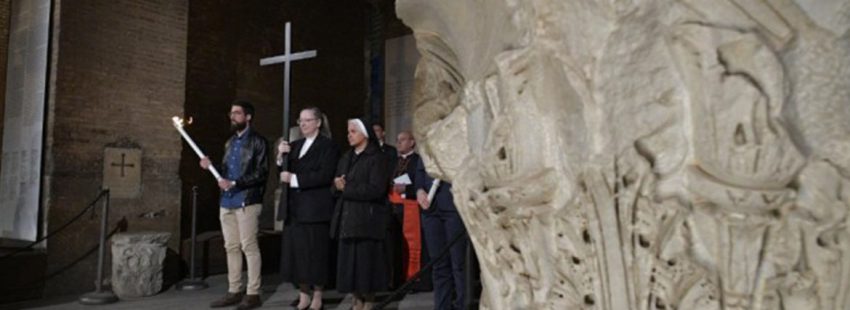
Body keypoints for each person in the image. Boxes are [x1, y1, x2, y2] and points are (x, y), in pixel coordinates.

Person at [201, 100, 269, 310]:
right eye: (231, 113)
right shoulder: (229, 142)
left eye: (237, 113)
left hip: (246, 200)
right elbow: (225, 170)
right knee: (231, 247)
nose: (233, 117)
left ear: (248, 117)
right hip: (227, 200)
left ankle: (253, 293)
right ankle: (234, 290)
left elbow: (261, 173)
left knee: (249, 246)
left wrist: (236, 183)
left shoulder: (259, 142)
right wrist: (212, 167)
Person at [277, 107, 339, 310]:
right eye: (300, 120)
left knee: (315, 254)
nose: (302, 124)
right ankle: (303, 293)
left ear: (318, 122)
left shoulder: (328, 146)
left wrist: (295, 179)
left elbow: (325, 174)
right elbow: (284, 169)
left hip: (315, 208)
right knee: (297, 255)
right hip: (295, 208)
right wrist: (280, 156)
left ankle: (318, 295)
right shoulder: (295, 145)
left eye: (307, 120)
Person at [331, 119, 391, 310]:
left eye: (353, 131)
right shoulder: (346, 157)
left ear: (365, 134)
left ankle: (369, 301)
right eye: (348, 131)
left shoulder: (377, 158)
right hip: (347, 219)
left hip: (367, 220)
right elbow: (335, 187)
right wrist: (337, 186)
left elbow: (376, 189)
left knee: (367, 265)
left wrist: (346, 188)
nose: (349, 134)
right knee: (350, 266)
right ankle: (356, 299)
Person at [416, 159, 467, 310]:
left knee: (458, 263)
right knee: (438, 264)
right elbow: (419, 170)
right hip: (430, 210)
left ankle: (462, 304)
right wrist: (419, 190)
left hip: (453, 207)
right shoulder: (428, 142)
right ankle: (442, 306)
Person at [386, 131, 427, 289]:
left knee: (411, 244)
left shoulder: (417, 161)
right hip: (393, 207)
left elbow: (419, 183)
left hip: (410, 206)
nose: (399, 143)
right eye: (397, 140)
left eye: (403, 140)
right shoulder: (393, 161)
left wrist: (405, 189)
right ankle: (396, 279)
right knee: (395, 245)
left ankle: (413, 279)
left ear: (412, 142)